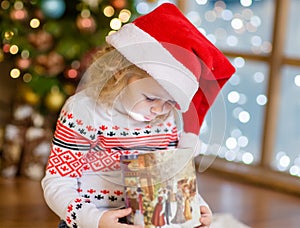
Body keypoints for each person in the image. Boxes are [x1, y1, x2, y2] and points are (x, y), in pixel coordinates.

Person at [41, 3, 235, 228]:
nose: (158, 110)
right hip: (90, 218)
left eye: (170, 103)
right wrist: (95, 220)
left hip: (149, 220)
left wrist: (196, 206)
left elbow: (173, 178)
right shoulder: (83, 111)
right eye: (151, 98)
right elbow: (57, 181)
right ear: (119, 74)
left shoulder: (167, 120)